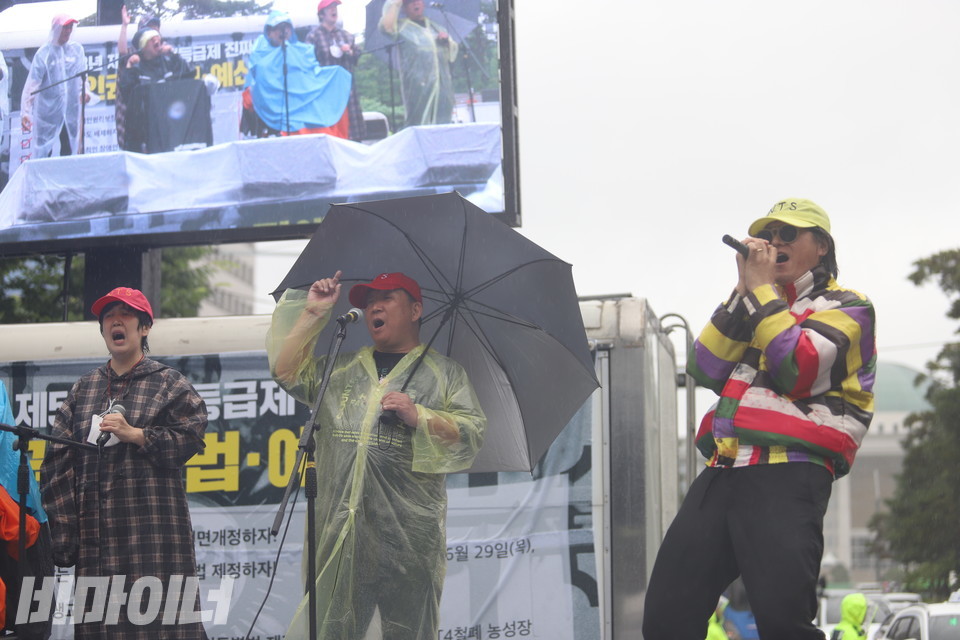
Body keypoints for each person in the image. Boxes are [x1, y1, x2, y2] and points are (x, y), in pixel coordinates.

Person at [642, 198, 877, 640]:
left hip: (789, 471)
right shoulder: (758, 302)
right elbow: (706, 365)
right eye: (767, 235)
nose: (773, 242)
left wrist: (763, 292)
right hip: (724, 467)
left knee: (784, 625)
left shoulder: (849, 306)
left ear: (822, 246)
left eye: (788, 234)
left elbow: (799, 368)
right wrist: (743, 288)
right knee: (665, 620)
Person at [266, 270, 486, 639]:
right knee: (332, 630)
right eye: (369, 303)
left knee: (408, 631)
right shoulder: (342, 367)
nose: (373, 308)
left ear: (416, 310)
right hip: (340, 532)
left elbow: (471, 433)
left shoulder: (445, 373)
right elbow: (287, 371)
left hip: (408, 539)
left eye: (386, 299)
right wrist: (314, 314)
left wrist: (420, 415)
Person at [40, 287, 209, 639]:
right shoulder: (83, 391)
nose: (116, 320)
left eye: (126, 314)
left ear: (144, 327)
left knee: (161, 625)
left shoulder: (169, 384)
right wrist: (66, 537)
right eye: (108, 315)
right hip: (96, 542)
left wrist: (138, 435)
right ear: (103, 329)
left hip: (153, 536)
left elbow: (191, 438)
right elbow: (57, 465)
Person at [243, 10, 352, 138]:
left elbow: (312, 73)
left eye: (287, 27)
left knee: (337, 77)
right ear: (269, 32)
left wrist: (333, 73)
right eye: (278, 28)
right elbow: (257, 81)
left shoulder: (301, 51)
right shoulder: (261, 55)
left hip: (303, 101)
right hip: (276, 104)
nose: (283, 31)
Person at [378, 0, 459, 127]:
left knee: (443, 123)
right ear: (403, 8)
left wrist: (446, 41)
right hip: (417, 87)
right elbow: (385, 27)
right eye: (410, 2)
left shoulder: (436, 27)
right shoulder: (401, 28)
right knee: (419, 123)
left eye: (418, 1)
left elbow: (452, 53)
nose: (415, 4)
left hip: (442, 87)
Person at [19, 14, 87, 158]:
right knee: (44, 150)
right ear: (55, 29)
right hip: (48, 114)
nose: (68, 31)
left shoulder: (76, 50)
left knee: (69, 147)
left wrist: (84, 92)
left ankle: (67, 178)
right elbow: (33, 84)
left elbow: (82, 77)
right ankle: (43, 179)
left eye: (70, 27)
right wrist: (26, 111)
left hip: (70, 111)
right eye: (64, 27)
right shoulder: (44, 54)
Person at [306, 0, 367, 142]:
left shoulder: (346, 35)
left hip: (347, 90)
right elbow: (307, 63)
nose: (334, 10)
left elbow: (357, 56)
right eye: (330, 8)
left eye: (335, 7)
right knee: (332, 131)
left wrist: (350, 51)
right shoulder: (313, 36)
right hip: (326, 90)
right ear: (321, 14)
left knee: (353, 133)